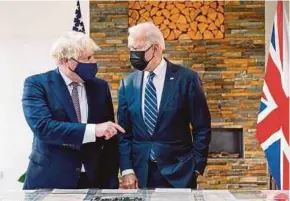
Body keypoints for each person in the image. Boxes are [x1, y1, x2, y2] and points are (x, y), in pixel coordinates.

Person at [22, 31, 125, 189]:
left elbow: (109, 138)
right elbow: (43, 127)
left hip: (93, 180)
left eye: (93, 56)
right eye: (87, 58)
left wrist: (111, 181)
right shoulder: (37, 84)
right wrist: (93, 130)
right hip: (50, 179)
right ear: (65, 61)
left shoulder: (100, 87)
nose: (94, 62)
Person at [118, 22, 211, 189]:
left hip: (179, 172)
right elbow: (124, 133)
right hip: (141, 174)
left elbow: (202, 126)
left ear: (155, 48)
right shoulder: (128, 84)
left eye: (137, 49)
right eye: (130, 49)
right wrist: (126, 169)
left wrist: (196, 166)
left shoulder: (187, 79)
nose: (133, 54)